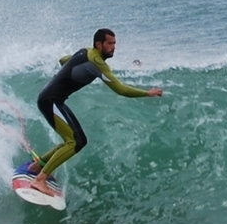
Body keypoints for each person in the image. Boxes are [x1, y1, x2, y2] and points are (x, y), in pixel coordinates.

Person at [16, 28, 164, 184]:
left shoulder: (85, 51)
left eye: (114, 43)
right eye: (110, 43)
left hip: (54, 100)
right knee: (73, 142)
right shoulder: (97, 63)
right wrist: (148, 93)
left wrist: (65, 76)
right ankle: (40, 179)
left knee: (79, 141)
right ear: (99, 44)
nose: (113, 47)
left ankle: (36, 167)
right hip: (50, 101)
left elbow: (64, 60)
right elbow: (121, 90)